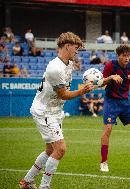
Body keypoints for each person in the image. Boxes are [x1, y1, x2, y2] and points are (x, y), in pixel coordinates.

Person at [19, 32, 94, 189]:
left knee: (50, 149)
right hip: (45, 111)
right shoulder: (55, 68)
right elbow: (64, 94)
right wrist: (82, 91)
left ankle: (26, 181)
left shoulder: (69, 64)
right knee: (60, 149)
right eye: (76, 48)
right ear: (67, 46)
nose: (77, 52)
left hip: (54, 111)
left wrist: (105, 80)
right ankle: (44, 186)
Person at [99, 44, 130, 172]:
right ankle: (104, 162)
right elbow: (101, 82)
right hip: (111, 101)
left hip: (125, 102)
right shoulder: (110, 65)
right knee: (108, 129)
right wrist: (111, 77)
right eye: (124, 55)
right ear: (118, 56)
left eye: (128, 55)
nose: (126, 58)